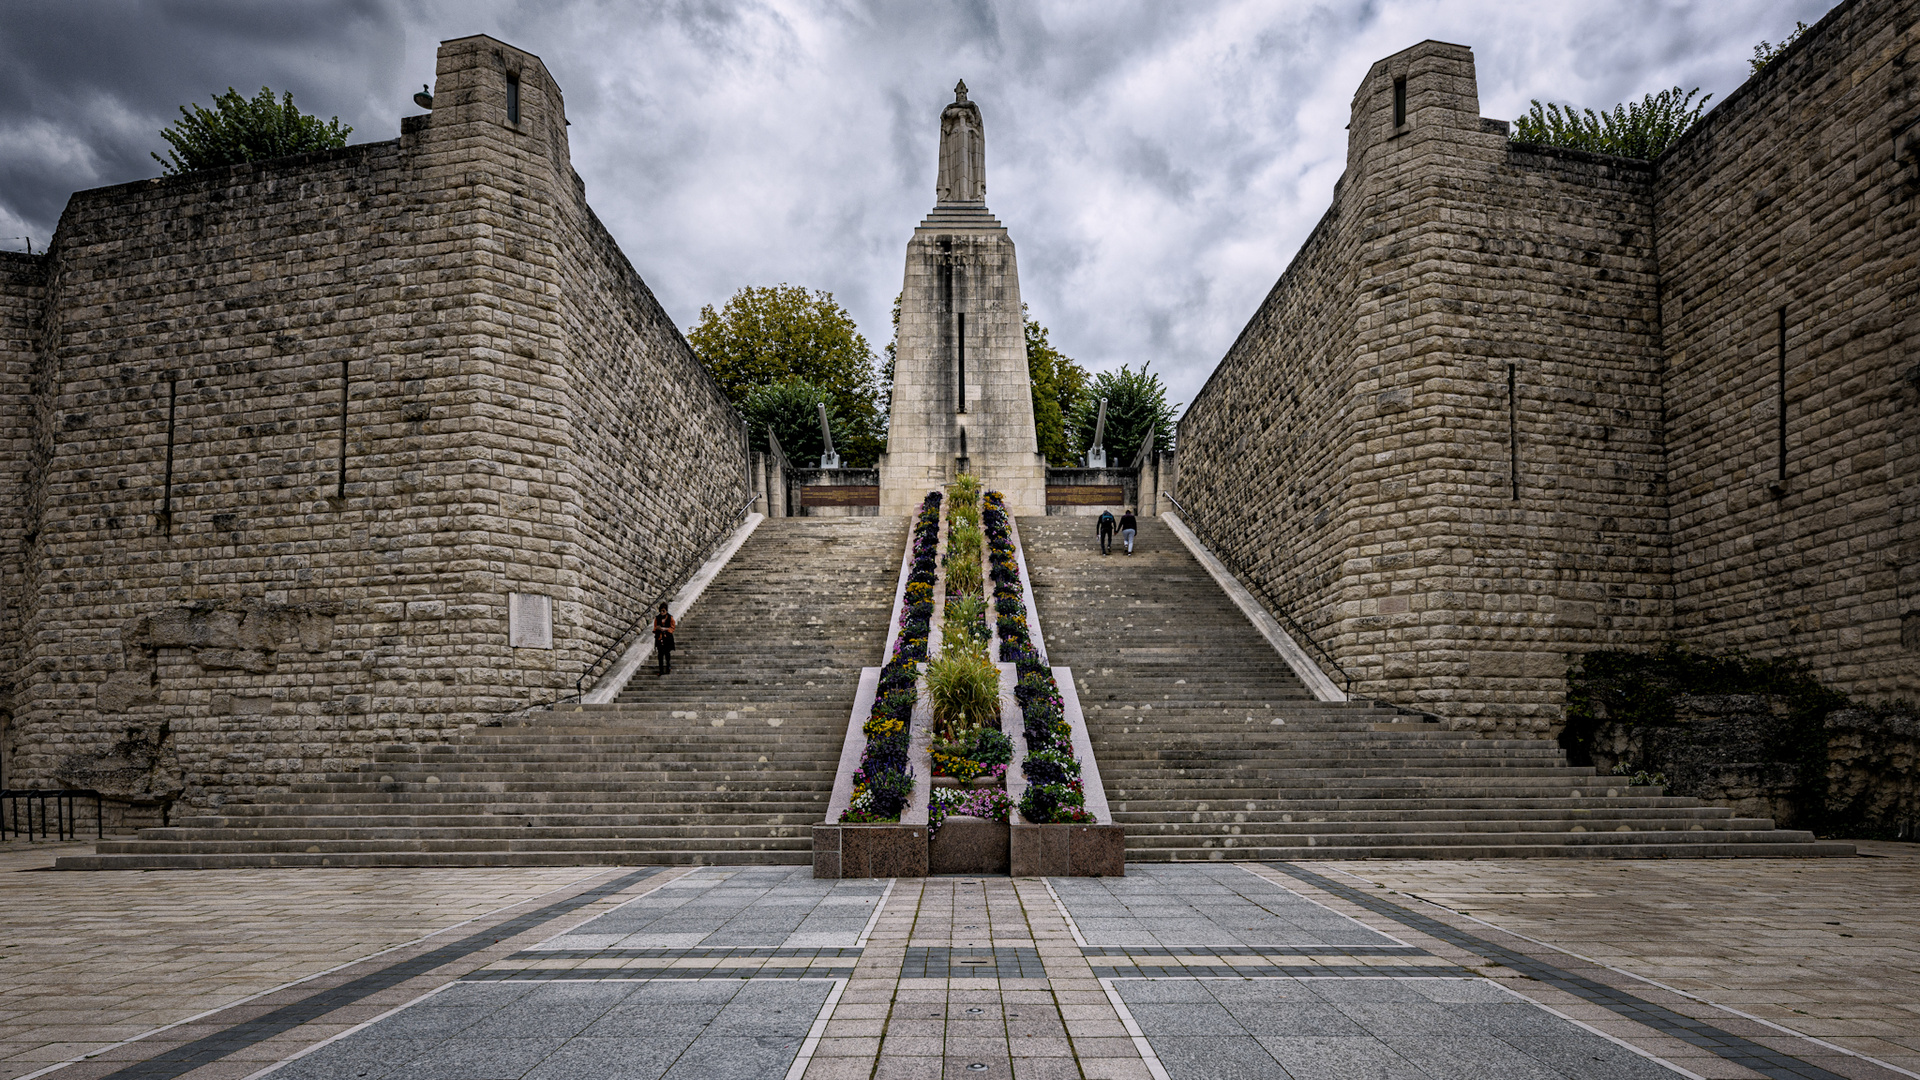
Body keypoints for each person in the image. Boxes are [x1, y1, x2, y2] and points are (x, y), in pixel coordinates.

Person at [653, 602, 676, 675]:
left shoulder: (670, 617)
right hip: (660, 638)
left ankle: (668, 667)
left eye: (663, 611)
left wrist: (665, 629)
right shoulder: (657, 618)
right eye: (661, 611)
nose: (662, 612)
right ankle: (661, 670)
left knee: (667, 654)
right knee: (660, 655)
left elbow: (672, 627)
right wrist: (658, 628)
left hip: (667, 638)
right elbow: (655, 627)